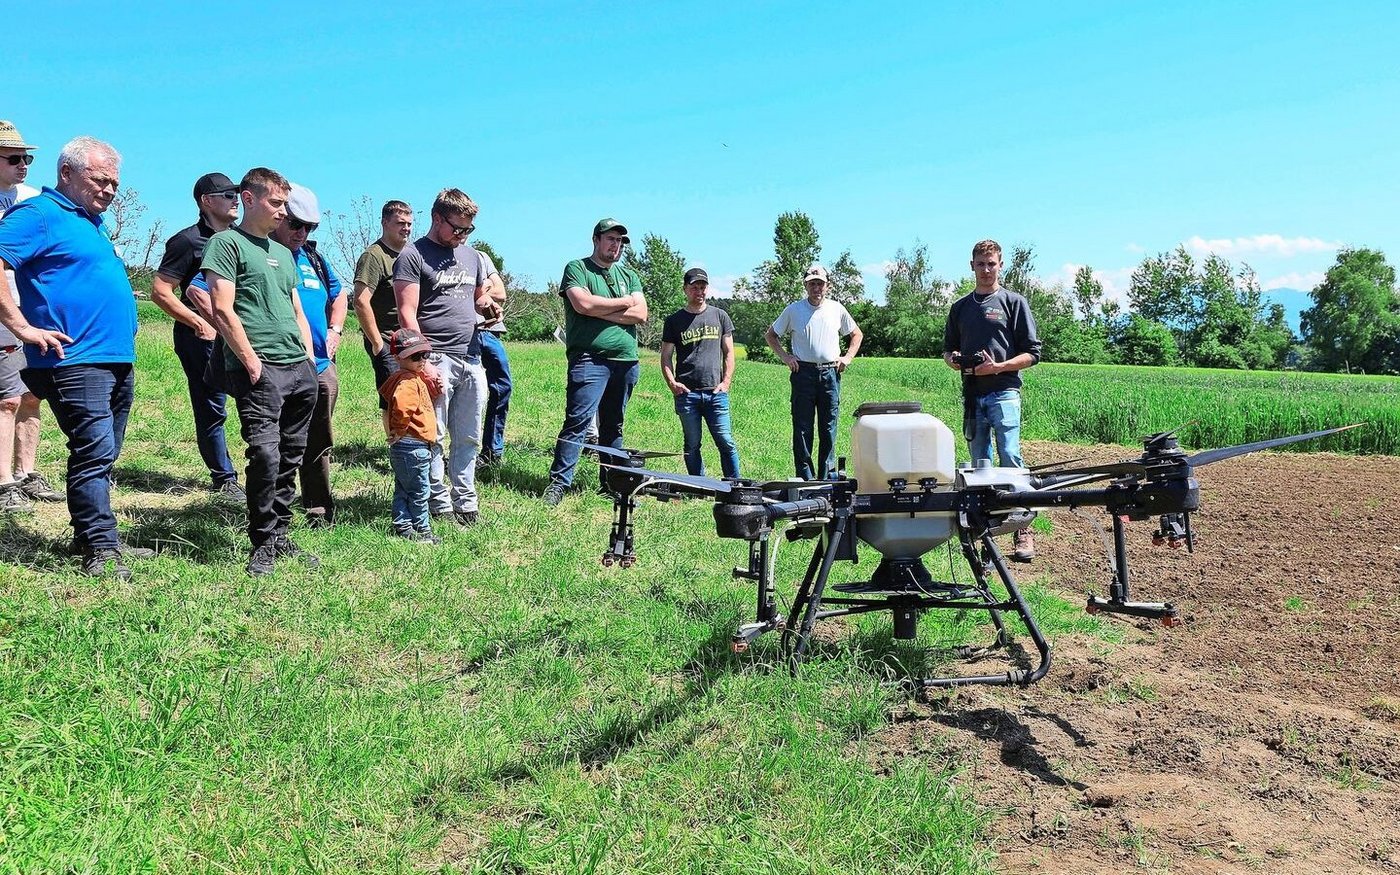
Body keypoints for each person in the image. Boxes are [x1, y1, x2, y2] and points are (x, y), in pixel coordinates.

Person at [0, 136, 144, 579]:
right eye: (100, 180)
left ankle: (89, 533)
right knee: (94, 450)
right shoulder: (40, 215)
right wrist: (22, 327)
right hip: (72, 360)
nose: (110, 190)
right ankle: (101, 547)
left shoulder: (92, 223)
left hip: (114, 357)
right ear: (67, 173)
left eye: (115, 184)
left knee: (105, 451)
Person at [202, 168, 320, 577]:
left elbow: (296, 308)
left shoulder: (284, 253)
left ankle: (282, 534)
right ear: (248, 199)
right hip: (261, 368)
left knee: (291, 454)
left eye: (285, 204)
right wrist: (252, 362)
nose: (282, 212)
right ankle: (263, 541)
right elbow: (221, 308)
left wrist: (308, 358)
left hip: (298, 368)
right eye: (275, 203)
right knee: (265, 455)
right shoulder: (225, 244)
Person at [393, 188, 498, 527]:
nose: (462, 235)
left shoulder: (471, 256)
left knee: (468, 434)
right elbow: (407, 315)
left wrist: (488, 306)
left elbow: (479, 296)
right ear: (437, 218)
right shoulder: (412, 255)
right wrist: (422, 364)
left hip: (471, 354)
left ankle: (466, 502)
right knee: (433, 434)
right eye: (457, 228)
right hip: (436, 355)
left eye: (468, 230)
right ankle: (438, 503)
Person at [942, 239, 1042, 562]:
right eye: (981, 264)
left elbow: (1033, 353)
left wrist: (998, 367)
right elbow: (947, 350)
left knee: (1010, 457)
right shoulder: (960, 308)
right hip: (972, 395)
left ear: (1001, 266)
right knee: (979, 465)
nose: (986, 270)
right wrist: (955, 360)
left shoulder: (1014, 302)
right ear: (972, 266)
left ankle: (1023, 527)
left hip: (1004, 392)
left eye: (992, 264)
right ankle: (985, 535)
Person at [150, 172, 245, 503]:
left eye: (237, 194)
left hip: (239, 335)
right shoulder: (187, 241)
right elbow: (160, 291)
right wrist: (196, 321)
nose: (236, 200)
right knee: (212, 406)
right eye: (227, 195)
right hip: (201, 340)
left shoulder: (239, 240)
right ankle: (224, 478)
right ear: (206, 201)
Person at [542, 218, 647, 506]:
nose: (616, 246)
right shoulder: (577, 268)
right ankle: (558, 483)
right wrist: (622, 303)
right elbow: (582, 304)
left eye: (621, 241)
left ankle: (611, 483)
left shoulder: (629, 274)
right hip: (589, 358)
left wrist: (599, 309)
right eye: (611, 239)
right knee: (577, 421)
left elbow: (641, 314)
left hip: (626, 361)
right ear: (596, 240)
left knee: (614, 425)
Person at [270, 183, 344, 528]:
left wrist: (335, 331)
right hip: (277, 367)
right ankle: (270, 514)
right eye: (296, 224)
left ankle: (318, 509)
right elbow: (202, 290)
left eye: (309, 227)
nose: (302, 233)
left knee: (318, 440)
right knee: (275, 441)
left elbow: (340, 295)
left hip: (320, 366)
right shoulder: (257, 252)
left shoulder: (314, 257)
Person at [0, 121, 62, 514]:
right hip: (3, 313)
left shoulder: (29, 200)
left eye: (28, 158)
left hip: (29, 312)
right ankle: (3, 482)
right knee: (5, 400)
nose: (24, 165)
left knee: (31, 395)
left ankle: (26, 473)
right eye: (14, 158)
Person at [765, 264, 863, 481]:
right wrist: (786, 357)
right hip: (803, 374)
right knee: (802, 428)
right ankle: (805, 479)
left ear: (827, 286)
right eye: (812, 283)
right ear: (806, 286)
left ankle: (827, 477)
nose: (816, 287)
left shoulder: (837, 309)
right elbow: (771, 335)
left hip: (830, 374)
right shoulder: (793, 310)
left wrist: (847, 358)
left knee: (828, 428)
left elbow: (856, 334)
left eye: (820, 283)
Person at [660, 267, 740, 478]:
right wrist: (672, 383)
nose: (699, 292)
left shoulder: (720, 316)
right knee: (692, 444)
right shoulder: (674, 321)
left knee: (726, 442)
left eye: (703, 287)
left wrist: (726, 382)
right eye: (694, 288)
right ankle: (698, 485)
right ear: (685, 289)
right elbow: (666, 356)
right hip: (687, 394)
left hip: (716, 393)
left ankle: (735, 486)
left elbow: (729, 352)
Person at [380, 328, 443, 544]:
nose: (422, 360)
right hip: (413, 447)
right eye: (415, 356)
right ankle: (422, 530)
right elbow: (402, 408)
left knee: (404, 488)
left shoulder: (410, 377)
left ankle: (402, 525)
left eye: (425, 354)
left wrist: (434, 389)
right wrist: (397, 430)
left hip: (407, 448)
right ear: (398, 357)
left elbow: (419, 404)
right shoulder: (407, 381)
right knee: (419, 491)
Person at [352, 200, 413, 408]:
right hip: (387, 340)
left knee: (413, 396)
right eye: (400, 223)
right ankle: (396, 440)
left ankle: (411, 439)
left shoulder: (410, 255)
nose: (406, 228)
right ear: (385, 223)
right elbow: (360, 301)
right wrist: (378, 345)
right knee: (394, 399)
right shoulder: (374, 256)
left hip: (411, 339)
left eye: (409, 224)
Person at [476, 259, 510, 469]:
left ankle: (491, 452)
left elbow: (501, 293)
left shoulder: (481, 256)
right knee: (465, 392)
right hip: (462, 332)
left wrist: (482, 290)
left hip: (489, 333)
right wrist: (485, 286)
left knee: (502, 387)